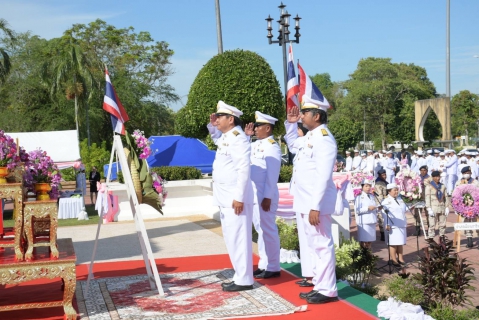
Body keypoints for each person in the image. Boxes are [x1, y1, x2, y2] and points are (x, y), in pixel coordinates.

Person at [285, 99, 338, 304]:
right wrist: (290, 124)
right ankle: (320, 284)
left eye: (305, 113)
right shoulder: (310, 137)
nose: (301, 116)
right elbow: (291, 145)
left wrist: (315, 206)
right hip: (306, 201)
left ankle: (327, 290)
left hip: (316, 203)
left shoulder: (324, 139)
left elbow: (323, 176)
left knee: (322, 245)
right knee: (314, 245)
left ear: (316, 116)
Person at [207, 100, 254, 292]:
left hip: (235, 198)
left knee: (239, 238)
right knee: (231, 238)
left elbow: (244, 170)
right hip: (225, 197)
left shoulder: (239, 138)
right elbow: (216, 139)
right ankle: (240, 275)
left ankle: (244, 279)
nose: (217, 119)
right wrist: (213, 126)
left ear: (231, 119)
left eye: (220, 117)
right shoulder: (228, 137)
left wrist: (240, 197)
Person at [244, 111, 282, 279]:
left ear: (267, 128)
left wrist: (267, 197)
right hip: (254, 193)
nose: (256, 128)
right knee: (260, 230)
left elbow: (272, 176)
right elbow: (243, 153)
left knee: (268, 229)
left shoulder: (272, 146)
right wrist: (247, 137)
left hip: (265, 194)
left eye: (258, 126)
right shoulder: (256, 144)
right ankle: (264, 263)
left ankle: (274, 266)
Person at [381, 183, 412, 267]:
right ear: (389, 191)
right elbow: (384, 213)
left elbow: (404, 209)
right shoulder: (386, 201)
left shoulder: (400, 199)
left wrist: (411, 207)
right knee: (393, 243)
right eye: (394, 190)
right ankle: (394, 260)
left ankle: (401, 258)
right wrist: (387, 224)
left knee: (400, 242)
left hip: (401, 223)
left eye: (397, 190)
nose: (396, 192)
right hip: (392, 224)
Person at [455, 166, 479, 248]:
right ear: (462, 174)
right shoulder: (459, 183)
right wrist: (456, 207)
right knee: (467, 223)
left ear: (471, 173)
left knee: (477, 222)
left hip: (475, 206)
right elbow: (456, 195)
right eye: (465, 173)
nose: (466, 175)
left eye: (468, 173)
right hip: (464, 207)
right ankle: (469, 239)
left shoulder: (475, 182)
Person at [354, 179, 380, 248]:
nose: (368, 188)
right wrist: (367, 208)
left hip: (372, 220)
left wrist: (378, 209)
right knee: (364, 241)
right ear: (362, 187)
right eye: (366, 186)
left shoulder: (372, 196)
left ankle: (369, 255)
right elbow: (357, 210)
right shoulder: (359, 197)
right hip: (364, 222)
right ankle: (364, 256)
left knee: (370, 241)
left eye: (369, 186)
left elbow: (374, 207)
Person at [425, 171, 449, 243]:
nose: (438, 178)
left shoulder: (443, 186)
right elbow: (427, 198)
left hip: (442, 207)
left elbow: (446, 197)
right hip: (433, 207)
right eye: (436, 177)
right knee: (432, 224)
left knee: (442, 224)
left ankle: (442, 237)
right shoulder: (429, 186)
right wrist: (429, 208)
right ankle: (431, 238)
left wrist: (447, 207)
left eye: (439, 176)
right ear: (433, 177)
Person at [374, 169, 388, 241]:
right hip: (381, 202)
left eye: (385, 174)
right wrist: (381, 204)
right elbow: (380, 195)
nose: (384, 176)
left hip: (385, 201)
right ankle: (383, 234)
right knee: (381, 218)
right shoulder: (379, 183)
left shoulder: (384, 182)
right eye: (383, 175)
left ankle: (385, 234)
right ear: (379, 176)